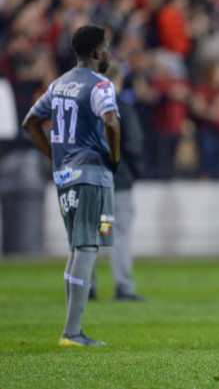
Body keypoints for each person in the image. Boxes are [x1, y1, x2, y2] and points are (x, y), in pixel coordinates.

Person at [22, 25, 120, 346]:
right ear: (96, 53)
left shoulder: (60, 84)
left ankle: (72, 330)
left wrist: (55, 156)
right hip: (91, 175)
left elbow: (31, 122)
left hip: (65, 178)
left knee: (78, 248)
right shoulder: (101, 84)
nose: (108, 53)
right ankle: (72, 332)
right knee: (88, 247)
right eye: (106, 48)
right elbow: (110, 122)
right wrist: (114, 158)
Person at [103, 63, 145, 301]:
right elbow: (134, 144)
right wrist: (134, 172)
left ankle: (85, 286)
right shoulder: (123, 108)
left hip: (93, 183)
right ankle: (123, 286)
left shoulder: (87, 106)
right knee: (120, 234)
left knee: (92, 237)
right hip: (119, 182)